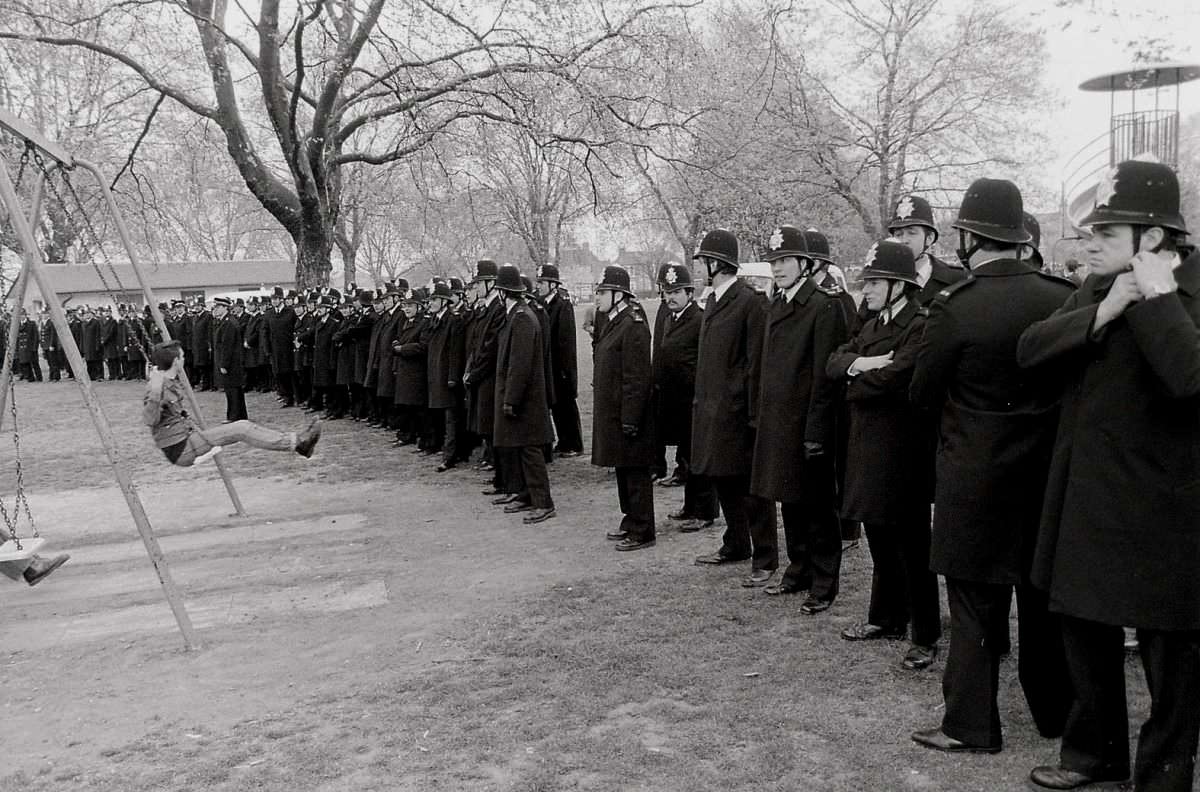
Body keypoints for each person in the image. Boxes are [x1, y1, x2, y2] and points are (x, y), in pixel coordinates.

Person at [1017, 160, 1200, 792]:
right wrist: (1106, 309)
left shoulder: (1194, 289)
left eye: (1106, 233)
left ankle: (1163, 774)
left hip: (1166, 509)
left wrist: (1156, 300)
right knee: (1083, 631)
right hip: (1088, 497)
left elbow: (1191, 380)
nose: (1089, 244)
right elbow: (1031, 350)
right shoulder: (1098, 288)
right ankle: (1094, 754)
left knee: (1169, 656)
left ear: (1152, 237)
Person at [909, 178, 1074, 755]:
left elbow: (922, 393)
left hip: (974, 477)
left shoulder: (955, 307)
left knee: (975, 605)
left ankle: (971, 725)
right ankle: (1057, 713)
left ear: (969, 236)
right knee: (1042, 600)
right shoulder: (1062, 296)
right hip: (1046, 476)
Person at [827, 239, 940, 669]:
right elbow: (835, 361)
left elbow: (901, 376)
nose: (866, 290)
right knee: (877, 535)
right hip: (867, 446)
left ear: (898, 284)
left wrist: (857, 377)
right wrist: (864, 365)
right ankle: (887, 617)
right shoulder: (872, 322)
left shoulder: (920, 323)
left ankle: (925, 634)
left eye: (873, 283)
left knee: (913, 544)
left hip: (903, 451)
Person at [750, 225, 846, 613]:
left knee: (819, 506)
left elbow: (825, 377)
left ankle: (824, 582)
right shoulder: (775, 304)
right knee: (788, 498)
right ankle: (798, 569)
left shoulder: (823, 306)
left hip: (808, 423)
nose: (778, 268)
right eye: (774, 262)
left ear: (805, 263)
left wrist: (817, 430)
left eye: (786, 260)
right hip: (778, 421)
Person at [689, 228, 778, 587]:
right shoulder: (712, 300)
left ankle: (766, 556)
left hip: (737, 413)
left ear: (717, 263)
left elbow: (755, 362)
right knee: (721, 477)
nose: (699, 269)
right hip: (711, 410)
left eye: (703, 262)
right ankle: (736, 543)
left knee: (751, 488)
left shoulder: (750, 302)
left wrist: (750, 411)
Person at [143, 339, 321, 466]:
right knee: (242, 428)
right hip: (181, 448)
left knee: (243, 425)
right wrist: (156, 391)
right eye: (181, 356)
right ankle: (298, 443)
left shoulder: (167, 380)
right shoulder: (158, 387)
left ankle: (298, 443)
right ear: (175, 361)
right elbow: (150, 420)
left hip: (186, 439)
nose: (184, 359)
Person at [591, 265, 656, 551]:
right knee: (623, 469)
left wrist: (631, 417)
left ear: (619, 294)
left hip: (629, 413)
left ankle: (643, 529)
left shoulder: (634, 323)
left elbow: (636, 376)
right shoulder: (613, 320)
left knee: (636, 472)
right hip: (614, 412)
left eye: (602, 292)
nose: (597, 297)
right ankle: (630, 519)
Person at [652, 262, 718, 530]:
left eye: (677, 291)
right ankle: (690, 507)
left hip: (694, 402)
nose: (671, 297)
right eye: (667, 291)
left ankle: (704, 512)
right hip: (675, 402)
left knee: (699, 459)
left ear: (690, 292)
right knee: (686, 458)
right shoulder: (670, 318)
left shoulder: (699, 320)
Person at [489, 264, 556, 524]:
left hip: (526, 398)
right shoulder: (516, 315)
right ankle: (527, 494)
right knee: (520, 447)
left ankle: (543, 502)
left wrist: (511, 399)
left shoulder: (523, 318)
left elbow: (520, 363)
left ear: (504, 293)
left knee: (530, 449)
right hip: (520, 396)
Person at [535, 264, 584, 457]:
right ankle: (563, 441)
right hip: (547, 362)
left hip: (559, 363)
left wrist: (565, 368)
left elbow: (566, 339)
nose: (538, 286)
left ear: (553, 284)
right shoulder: (541, 303)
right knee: (555, 405)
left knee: (566, 405)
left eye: (542, 282)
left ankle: (573, 443)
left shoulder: (562, 304)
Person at [212, 297, 248, 422]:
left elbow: (227, 346)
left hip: (231, 362)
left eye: (218, 307)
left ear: (225, 308)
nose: (216, 309)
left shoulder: (229, 323)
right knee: (234, 389)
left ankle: (234, 416)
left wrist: (224, 364)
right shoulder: (225, 321)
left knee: (232, 390)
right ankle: (240, 415)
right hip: (232, 362)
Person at [264, 286, 298, 407]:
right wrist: (267, 349)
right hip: (275, 349)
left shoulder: (290, 312)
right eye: (273, 299)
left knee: (289, 373)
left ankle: (292, 397)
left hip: (288, 349)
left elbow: (296, 329)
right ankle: (284, 395)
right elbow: (265, 332)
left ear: (282, 299)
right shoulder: (269, 314)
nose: (274, 301)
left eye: (277, 298)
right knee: (278, 373)